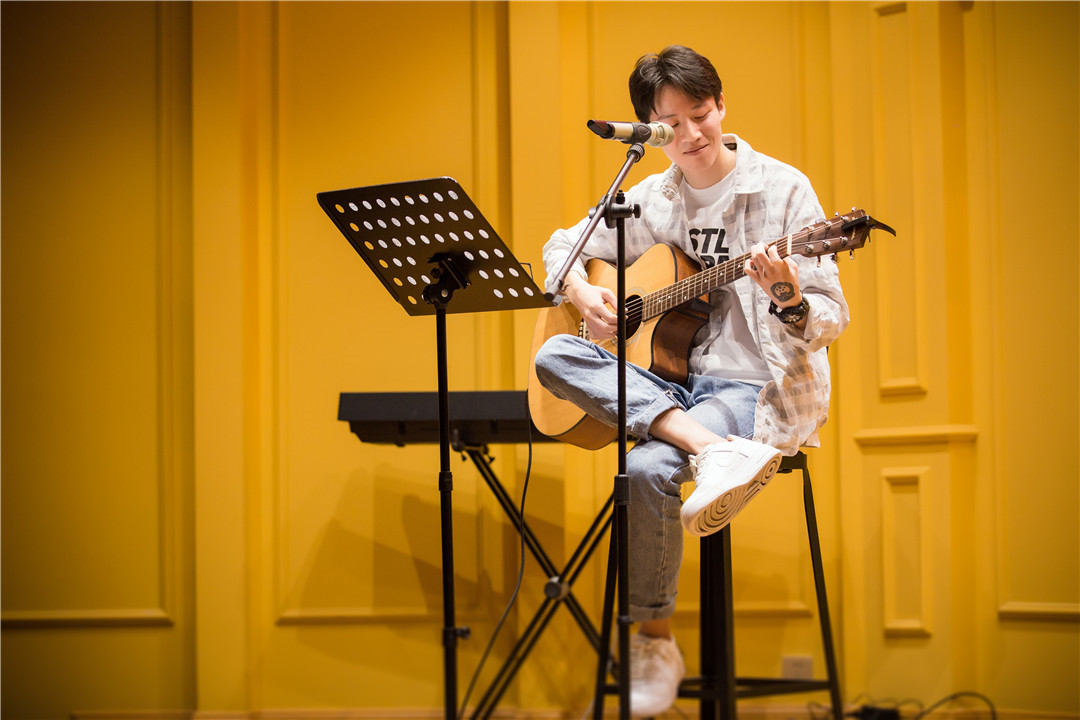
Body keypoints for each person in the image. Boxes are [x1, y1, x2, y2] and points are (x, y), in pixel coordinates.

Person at [532, 45, 849, 717]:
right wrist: (583, 294)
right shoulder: (652, 197)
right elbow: (562, 247)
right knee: (555, 354)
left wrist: (788, 295)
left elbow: (830, 318)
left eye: (700, 115)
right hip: (672, 386)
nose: (691, 135)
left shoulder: (783, 190)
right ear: (650, 128)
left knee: (646, 469)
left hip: (755, 387)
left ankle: (653, 640)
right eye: (671, 125)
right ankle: (709, 450)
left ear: (721, 105)